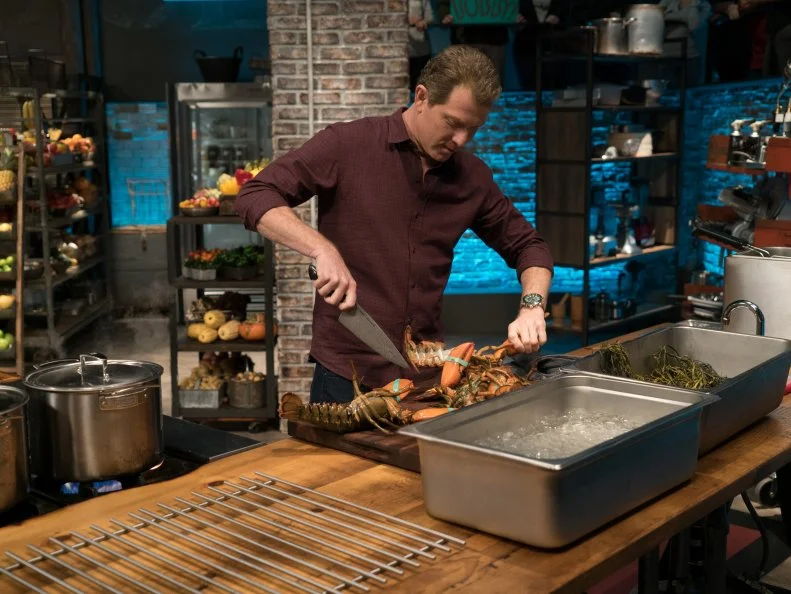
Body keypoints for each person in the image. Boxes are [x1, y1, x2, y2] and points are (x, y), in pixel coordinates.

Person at [235, 46, 554, 404]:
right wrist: (321, 248)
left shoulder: (473, 177)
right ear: (422, 97)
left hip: (427, 378)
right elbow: (256, 194)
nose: (461, 140)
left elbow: (530, 246)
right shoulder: (348, 144)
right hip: (346, 377)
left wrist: (531, 305)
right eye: (452, 123)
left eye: (473, 128)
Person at [408, 0, 435, 91]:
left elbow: (430, 17)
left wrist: (424, 22)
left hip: (420, 47)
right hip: (398, 49)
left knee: (421, 84)